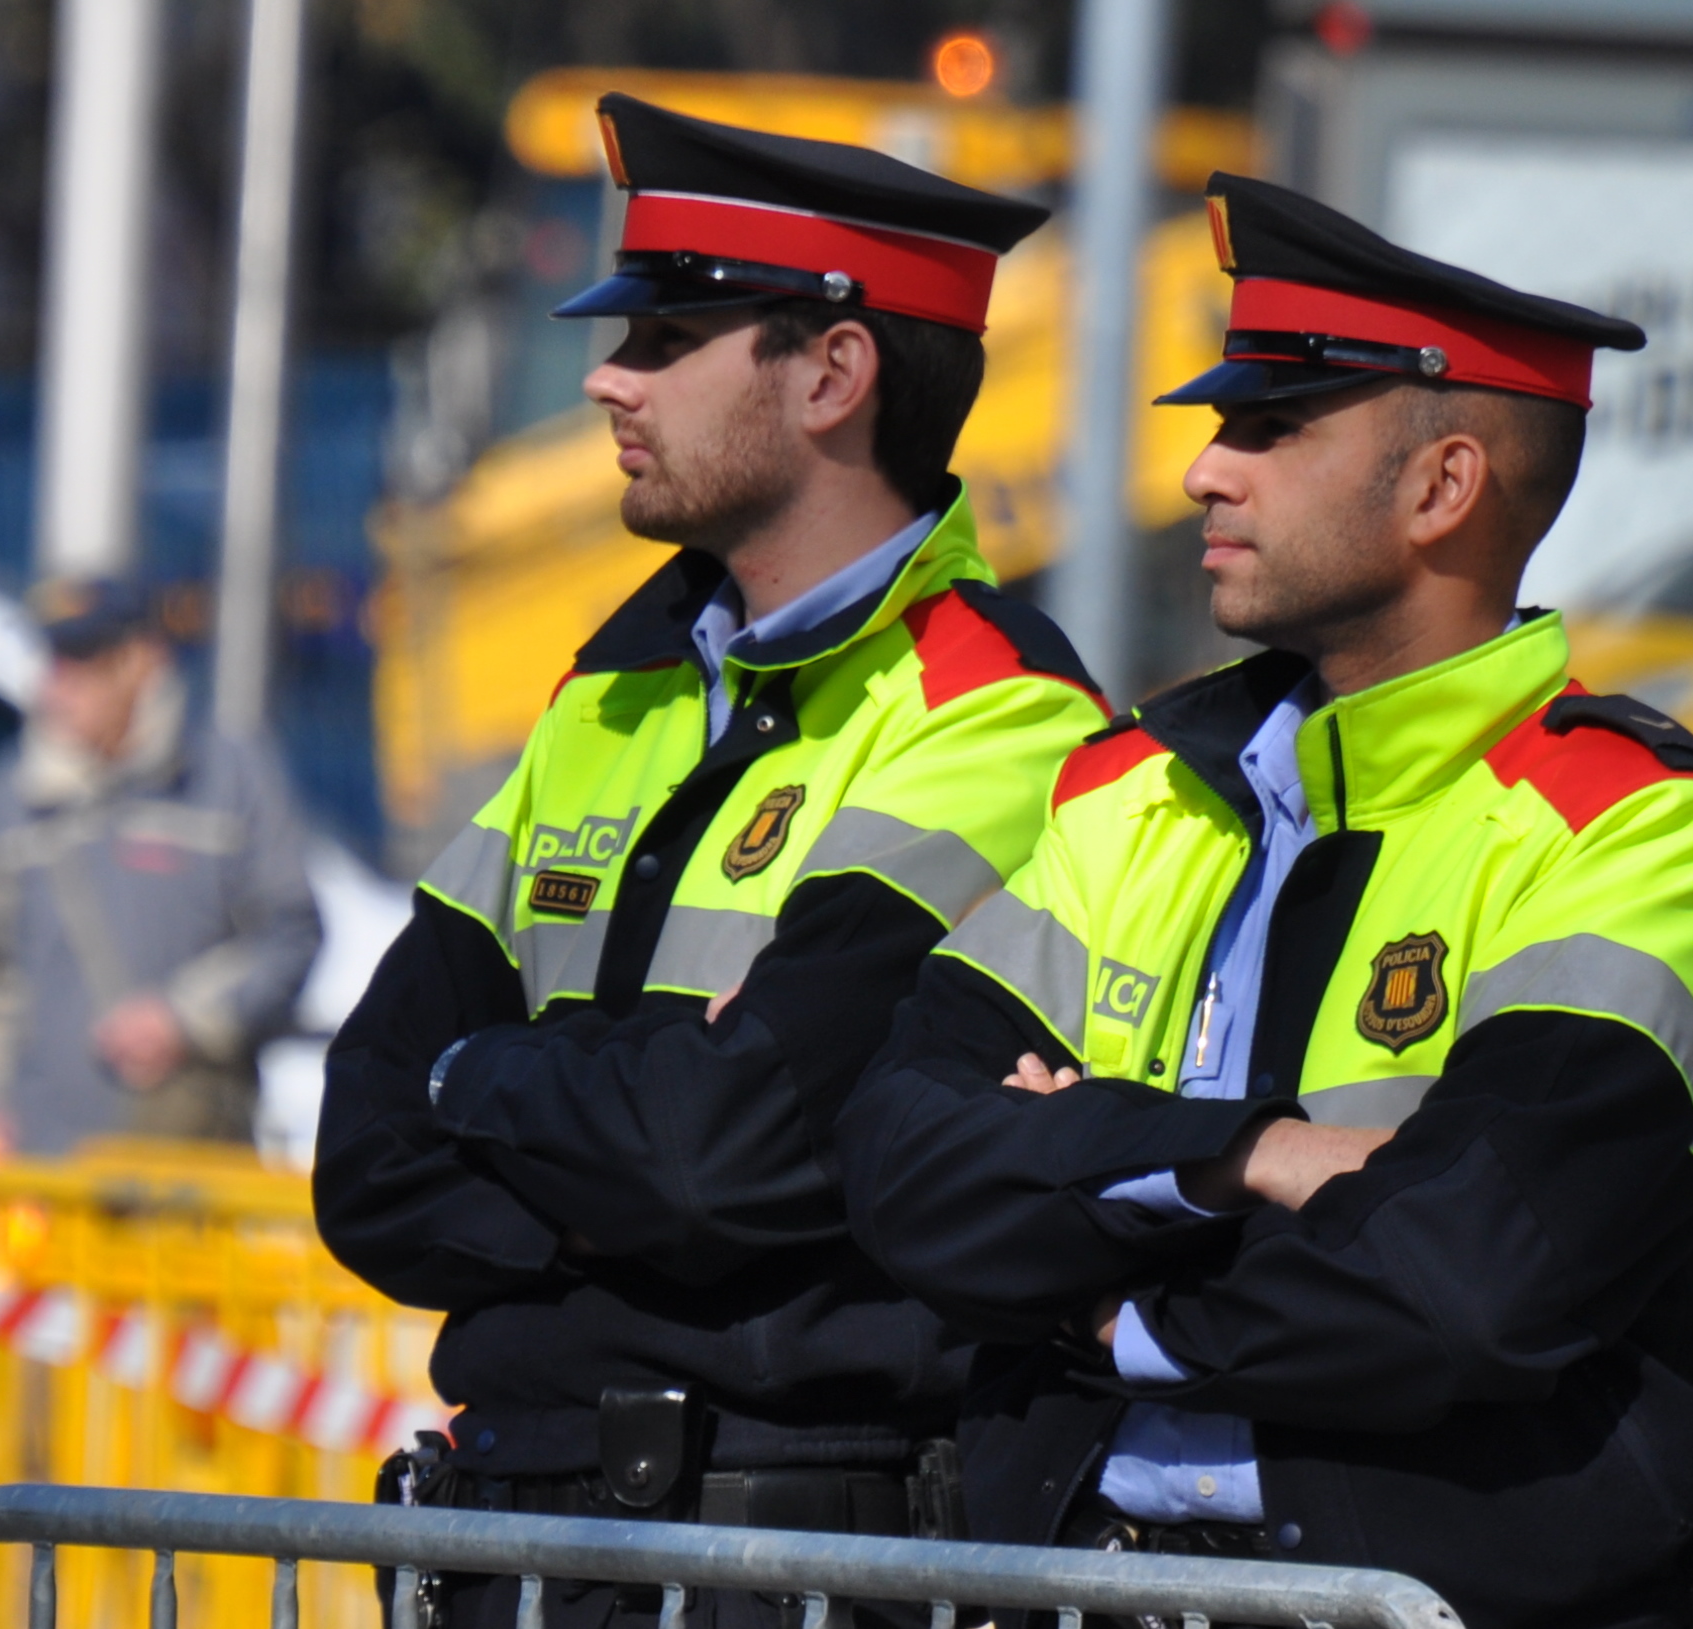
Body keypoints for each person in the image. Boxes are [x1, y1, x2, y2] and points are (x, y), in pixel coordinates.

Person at [825, 174, 1693, 1629]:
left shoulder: (1641, 832)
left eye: (1267, 430)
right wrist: (1249, 1158)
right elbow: (897, 1168)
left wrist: (1113, 1303)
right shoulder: (1135, 789)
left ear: (1440, 488)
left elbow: (1471, 1279)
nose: (1203, 473)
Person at [311, 96, 1109, 1629]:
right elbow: (364, 1149)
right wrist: (626, 1170)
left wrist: (485, 1091)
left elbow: (722, 1150)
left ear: (832, 372)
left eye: (669, 336)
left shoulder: (996, 715)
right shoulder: (609, 691)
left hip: (783, 1565)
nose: (610, 376)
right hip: (520, 1540)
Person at [0, 577, 322, 1154]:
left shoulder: (228, 777)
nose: (55, 686)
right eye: (51, 660)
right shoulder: (8, 797)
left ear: (142, 662)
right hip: (36, 1173)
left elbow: (291, 932)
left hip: (186, 1160)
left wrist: (182, 1018)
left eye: (81, 660)